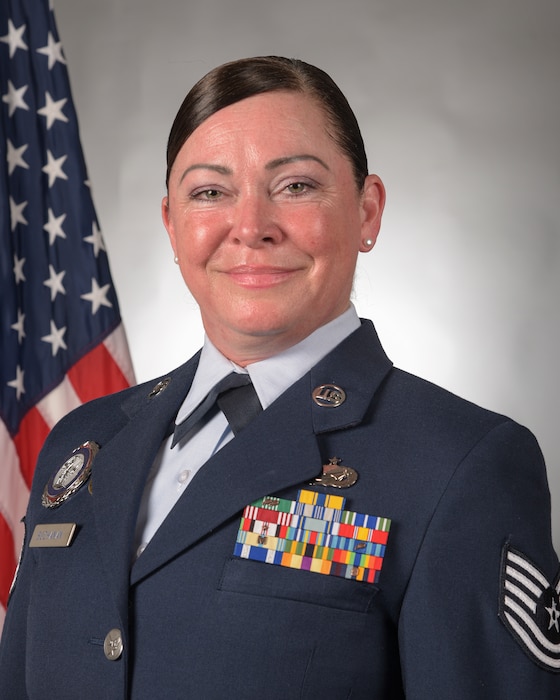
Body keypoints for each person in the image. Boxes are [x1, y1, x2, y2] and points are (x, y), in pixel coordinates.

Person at [0, 56, 558, 699]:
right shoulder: (82, 443)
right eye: (210, 192)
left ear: (368, 211)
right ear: (172, 225)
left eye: (295, 186)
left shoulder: (459, 463)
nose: (251, 227)